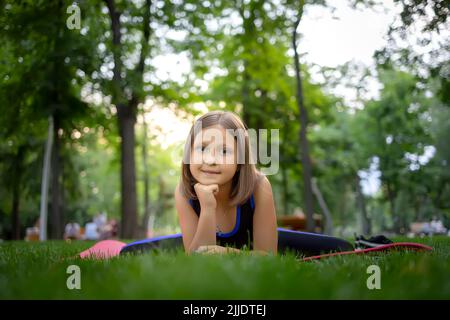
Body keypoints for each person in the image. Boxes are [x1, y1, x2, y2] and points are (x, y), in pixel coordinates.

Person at [174, 111, 278, 255]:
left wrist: (224, 252)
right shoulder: (184, 192)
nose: (210, 160)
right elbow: (195, 261)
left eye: (224, 151)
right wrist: (207, 208)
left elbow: (268, 257)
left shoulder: (259, 187)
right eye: (202, 148)